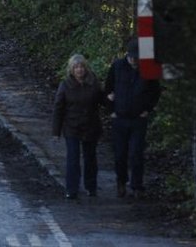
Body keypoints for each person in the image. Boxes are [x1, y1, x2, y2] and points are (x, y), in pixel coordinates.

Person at [105, 39, 161, 198]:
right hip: (120, 117)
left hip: (138, 118)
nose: (134, 61)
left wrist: (148, 109)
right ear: (127, 55)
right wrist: (111, 110)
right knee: (120, 154)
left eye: (137, 58)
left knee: (136, 153)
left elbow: (155, 91)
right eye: (132, 57)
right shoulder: (117, 66)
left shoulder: (147, 69)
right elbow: (108, 89)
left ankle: (137, 185)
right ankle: (121, 182)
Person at [52, 54, 103, 199]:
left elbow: (102, 100)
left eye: (81, 67)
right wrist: (56, 132)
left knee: (90, 158)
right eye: (76, 67)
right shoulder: (65, 85)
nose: (79, 70)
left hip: (91, 125)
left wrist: (111, 100)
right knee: (73, 158)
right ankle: (71, 189)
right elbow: (58, 108)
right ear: (71, 69)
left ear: (86, 68)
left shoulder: (93, 83)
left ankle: (91, 187)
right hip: (72, 126)